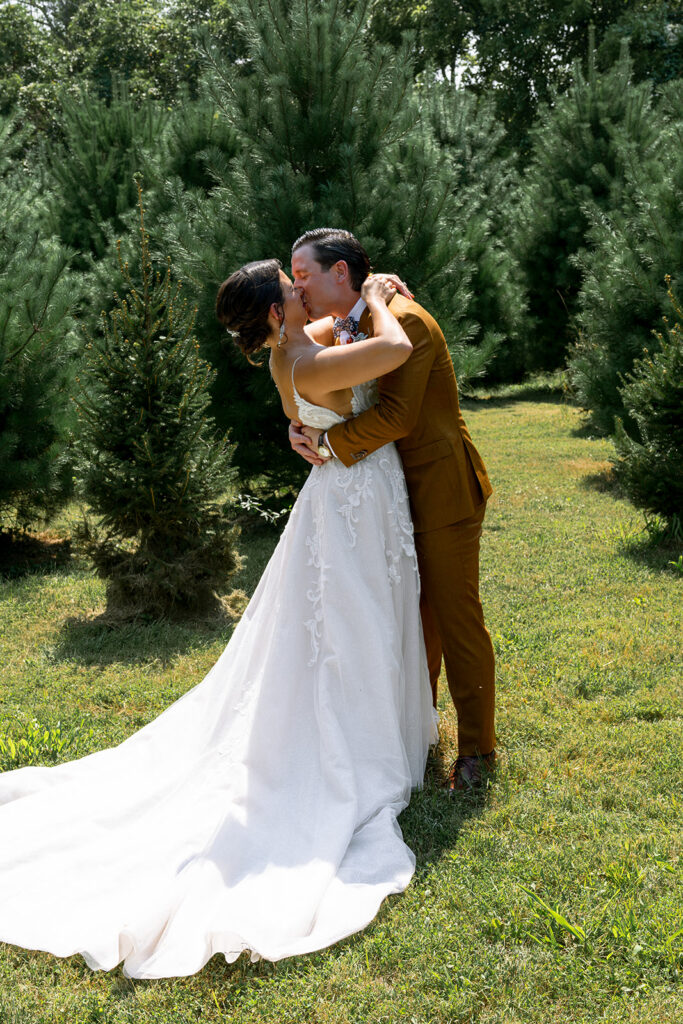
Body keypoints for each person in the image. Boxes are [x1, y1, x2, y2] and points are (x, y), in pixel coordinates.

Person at [0, 259, 436, 980]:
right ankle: (355, 747)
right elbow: (390, 351)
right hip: (351, 506)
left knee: (357, 626)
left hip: (353, 499)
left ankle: (374, 728)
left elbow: (344, 333)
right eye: (289, 286)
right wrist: (373, 294)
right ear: (273, 315)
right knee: (350, 632)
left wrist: (357, 304)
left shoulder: (298, 343)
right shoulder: (301, 357)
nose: (301, 290)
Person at [289, 229, 496, 790]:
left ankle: (477, 751)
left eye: (303, 274)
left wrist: (330, 446)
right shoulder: (350, 322)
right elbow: (307, 370)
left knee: (455, 619)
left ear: (340, 274)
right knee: (413, 614)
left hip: (441, 487)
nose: (296, 285)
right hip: (393, 491)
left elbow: (400, 416)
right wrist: (301, 424)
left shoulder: (401, 319)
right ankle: (416, 732)